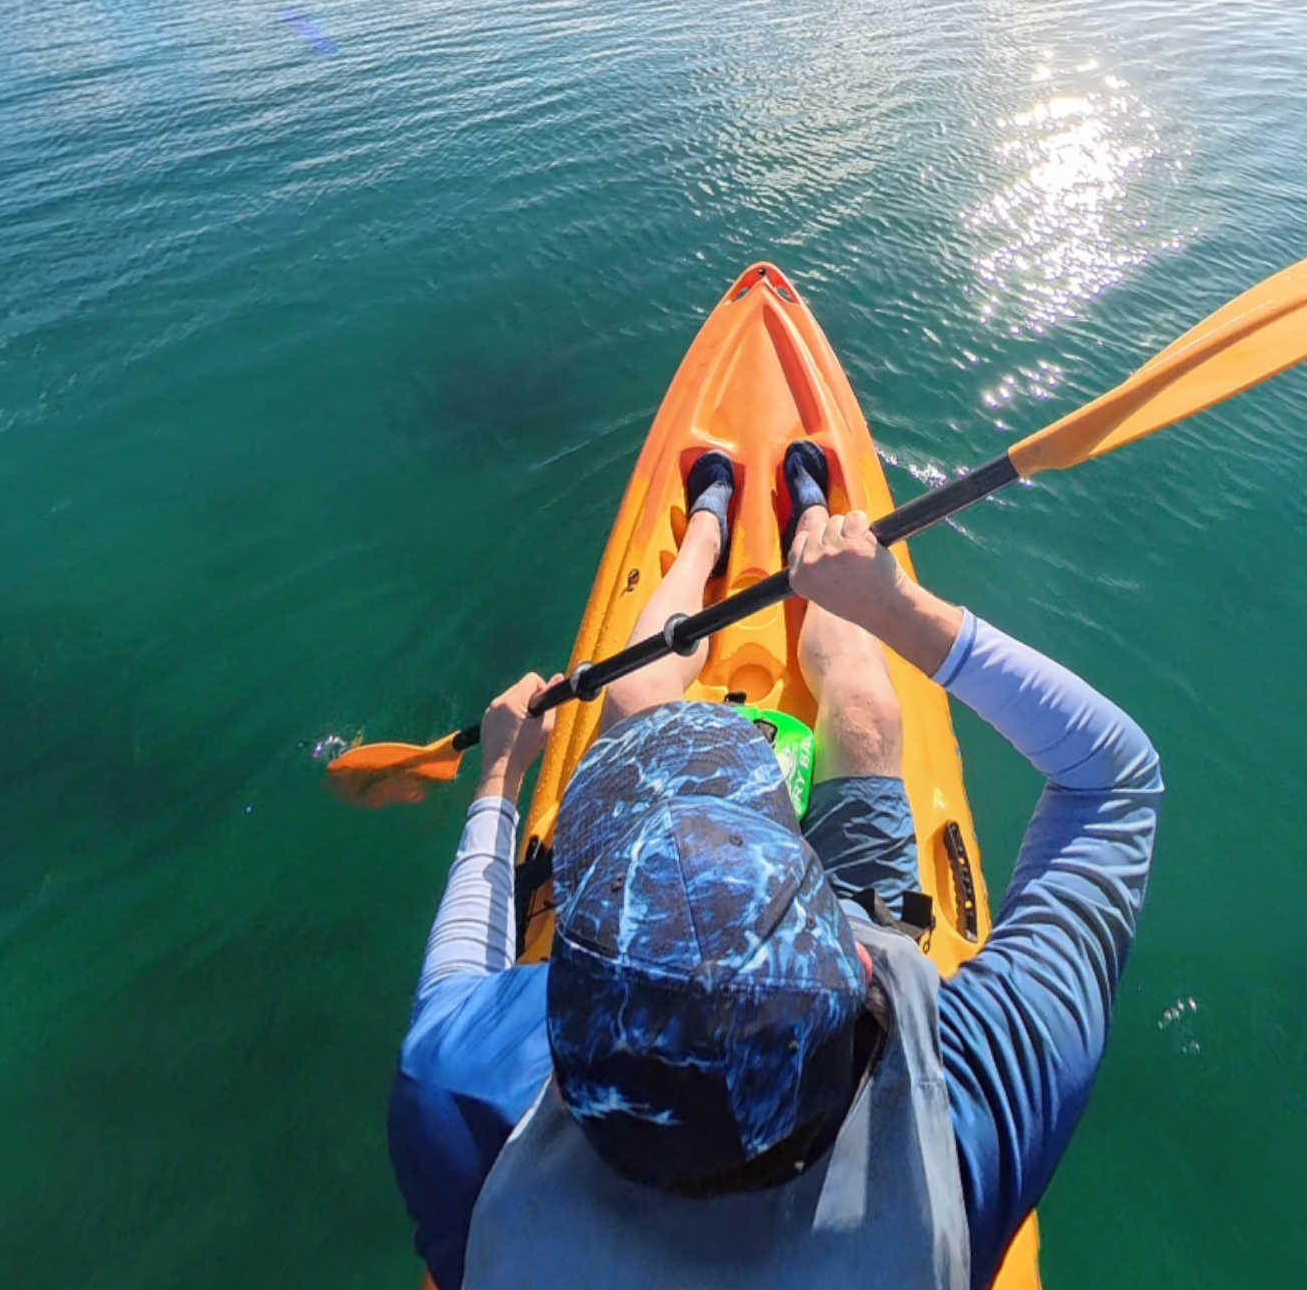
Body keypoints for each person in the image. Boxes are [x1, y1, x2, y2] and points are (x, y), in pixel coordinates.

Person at [389, 442, 1164, 1286]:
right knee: (863, 707)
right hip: (844, 933)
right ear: (848, 959)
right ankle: (816, 548)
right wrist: (896, 605)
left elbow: (455, 978)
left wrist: (502, 772)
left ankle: (706, 531)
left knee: (635, 701)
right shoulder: (961, 1117)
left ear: (563, 1030)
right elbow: (1113, 779)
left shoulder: (459, 1101)